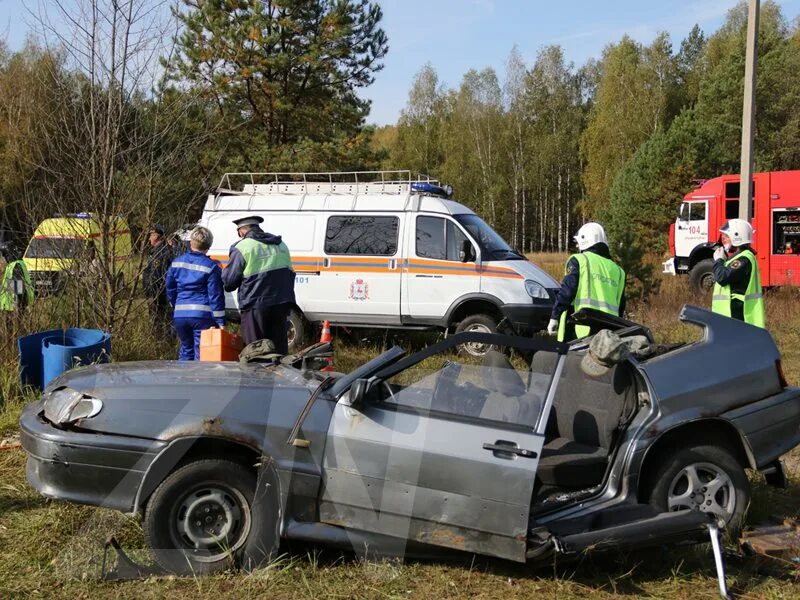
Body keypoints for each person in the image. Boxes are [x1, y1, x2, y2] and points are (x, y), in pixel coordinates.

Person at [222, 215, 295, 352]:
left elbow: (230, 282)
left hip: (255, 305)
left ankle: (256, 374)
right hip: (282, 303)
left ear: (241, 232)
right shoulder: (280, 244)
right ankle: (279, 373)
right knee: (279, 350)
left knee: (255, 351)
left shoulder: (243, 247)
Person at [547, 222, 626, 342]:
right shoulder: (619, 271)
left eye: (578, 243)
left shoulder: (579, 260)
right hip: (609, 335)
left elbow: (567, 292)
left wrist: (555, 316)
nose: (578, 247)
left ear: (585, 240)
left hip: (580, 329)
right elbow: (620, 307)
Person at [165, 226, 225, 360]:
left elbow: (170, 287)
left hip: (180, 315)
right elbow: (215, 296)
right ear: (209, 245)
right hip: (202, 316)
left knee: (186, 350)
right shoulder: (211, 266)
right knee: (201, 353)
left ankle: (183, 379)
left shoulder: (176, 263)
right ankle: (198, 380)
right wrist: (220, 321)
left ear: (191, 243)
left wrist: (176, 304)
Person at [711, 219, 765, 328]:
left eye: (726, 236)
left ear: (737, 237)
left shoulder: (744, 259)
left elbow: (722, 277)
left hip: (737, 313)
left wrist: (719, 260)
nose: (723, 239)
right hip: (731, 313)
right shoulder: (738, 257)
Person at [143, 224, 172, 335]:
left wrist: (152, 295)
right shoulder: (156, 251)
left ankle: (160, 343)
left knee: (158, 322)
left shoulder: (160, 253)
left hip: (158, 295)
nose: (150, 238)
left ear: (158, 237)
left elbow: (156, 276)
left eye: (152, 235)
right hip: (158, 294)